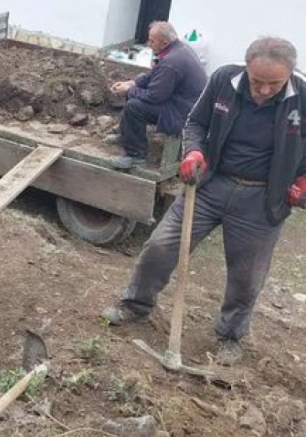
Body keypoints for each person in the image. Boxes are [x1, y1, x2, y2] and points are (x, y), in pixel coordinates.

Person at [102, 37, 306, 365]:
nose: (264, 90)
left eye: (274, 84)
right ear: (246, 66)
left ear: (291, 74)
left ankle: (230, 335)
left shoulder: (303, 98)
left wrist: (302, 181)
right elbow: (195, 122)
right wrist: (194, 151)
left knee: (247, 274)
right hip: (210, 185)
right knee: (160, 246)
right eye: (257, 82)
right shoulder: (225, 80)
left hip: (262, 199)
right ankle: (134, 305)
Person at [107, 21, 208, 170]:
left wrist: (128, 91)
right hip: (182, 102)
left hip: (183, 113)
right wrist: (132, 83)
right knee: (136, 90)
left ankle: (136, 156)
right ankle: (127, 136)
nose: (148, 43)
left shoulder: (172, 62)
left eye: (152, 41)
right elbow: (154, 76)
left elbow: (154, 96)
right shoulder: (178, 50)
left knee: (134, 107)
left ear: (165, 42)